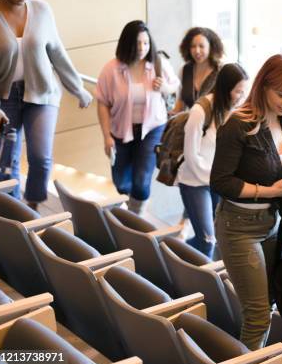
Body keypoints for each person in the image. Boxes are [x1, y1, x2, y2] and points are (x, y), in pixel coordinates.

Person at [211, 53, 282, 350]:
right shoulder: (238, 125)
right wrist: (272, 192)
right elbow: (220, 182)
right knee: (258, 314)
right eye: (281, 94)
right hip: (238, 227)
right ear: (263, 86)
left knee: (267, 303)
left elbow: (281, 169)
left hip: (271, 224)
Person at [0, 0, 92, 210]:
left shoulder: (42, 10)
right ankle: (15, 214)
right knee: (8, 163)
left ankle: (33, 206)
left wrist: (77, 89)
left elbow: (57, 53)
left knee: (41, 159)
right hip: (2, 100)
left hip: (42, 94)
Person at [95, 20, 179, 214]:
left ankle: (136, 219)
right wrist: (106, 136)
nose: (142, 48)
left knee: (142, 180)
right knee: (121, 182)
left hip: (152, 129)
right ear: (126, 43)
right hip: (120, 129)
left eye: (146, 43)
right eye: (137, 43)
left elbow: (175, 86)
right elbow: (102, 103)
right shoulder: (111, 69)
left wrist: (164, 88)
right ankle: (129, 211)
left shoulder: (158, 64)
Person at [177, 63, 248, 258]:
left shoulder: (237, 112)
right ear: (225, 89)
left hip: (219, 181)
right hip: (194, 181)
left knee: (214, 238)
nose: (242, 97)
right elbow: (191, 155)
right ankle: (195, 275)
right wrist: (217, 178)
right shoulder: (201, 111)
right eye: (238, 92)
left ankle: (177, 253)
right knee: (208, 240)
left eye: (244, 92)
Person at [172, 27, 224, 113]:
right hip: (191, 124)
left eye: (201, 46)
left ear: (211, 47)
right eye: (193, 46)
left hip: (215, 125)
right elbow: (180, 105)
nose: (197, 51)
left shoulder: (221, 71)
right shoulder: (184, 70)